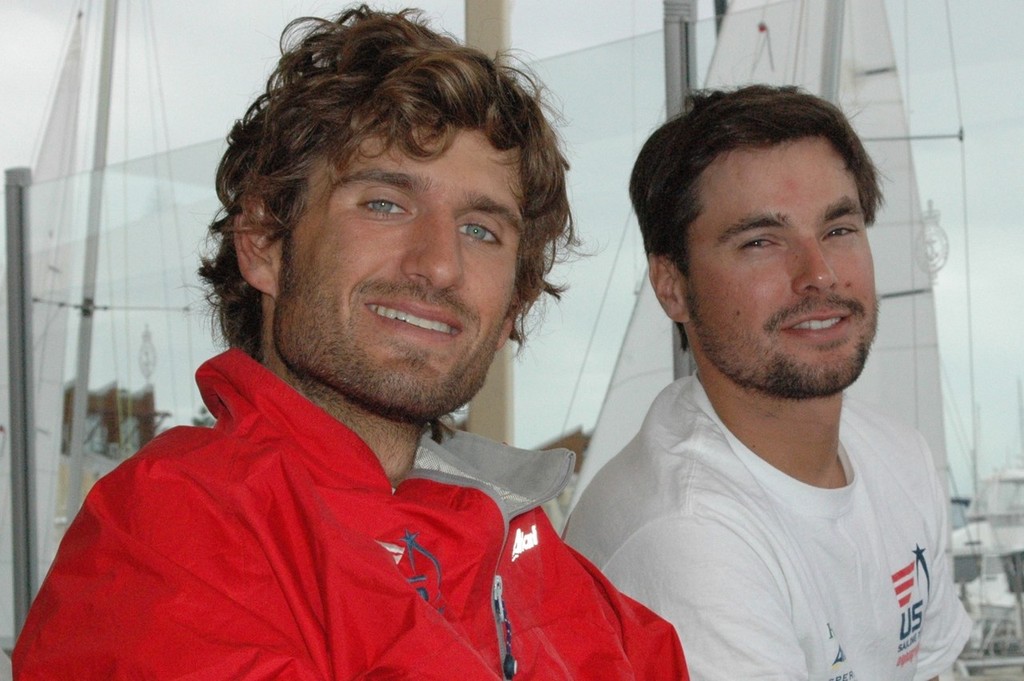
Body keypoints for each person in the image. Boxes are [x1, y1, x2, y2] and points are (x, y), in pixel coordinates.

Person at [13, 7, 688, 679]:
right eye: (385, 204)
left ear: (514, 300)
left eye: (482, 230)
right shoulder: (173, 530)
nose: (441, 264)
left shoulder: (540, 563)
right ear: (265, 243)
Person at [565, 85, 971, 680]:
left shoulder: (899, 459)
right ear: (672, 286)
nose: (819, 274)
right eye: (761, 242)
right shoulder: (685, 535)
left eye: (838, 230)